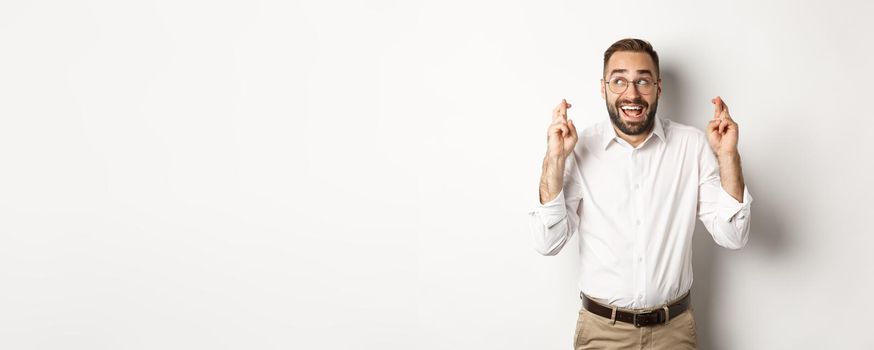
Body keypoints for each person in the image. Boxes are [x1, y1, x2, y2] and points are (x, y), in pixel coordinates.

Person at [527, 38, 752, 349]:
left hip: (674, 332)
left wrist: (728, 157)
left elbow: (733, 236)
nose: (631, 94)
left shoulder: (692, 146)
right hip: (602, 333)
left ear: (658, 87)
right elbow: (547, 242)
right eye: (619, 80)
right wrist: (554, 159)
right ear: (603, 87)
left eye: (642, 81)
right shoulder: (577, 149)